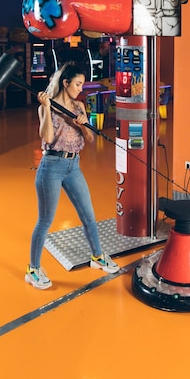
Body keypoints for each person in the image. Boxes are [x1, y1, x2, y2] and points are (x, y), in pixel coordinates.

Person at [25, 62, 119, 289]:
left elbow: (90, 140)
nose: (80, 89)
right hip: (52, 166)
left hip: (73, 166)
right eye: (77, 84)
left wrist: (84, 125)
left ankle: (97, 257)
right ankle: (33, 269)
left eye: (82, 84)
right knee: (45, 220)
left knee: (88, 214)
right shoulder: (46, 107)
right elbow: (47, 138)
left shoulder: (78, 106)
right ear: (65, 83)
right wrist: (46, 108)